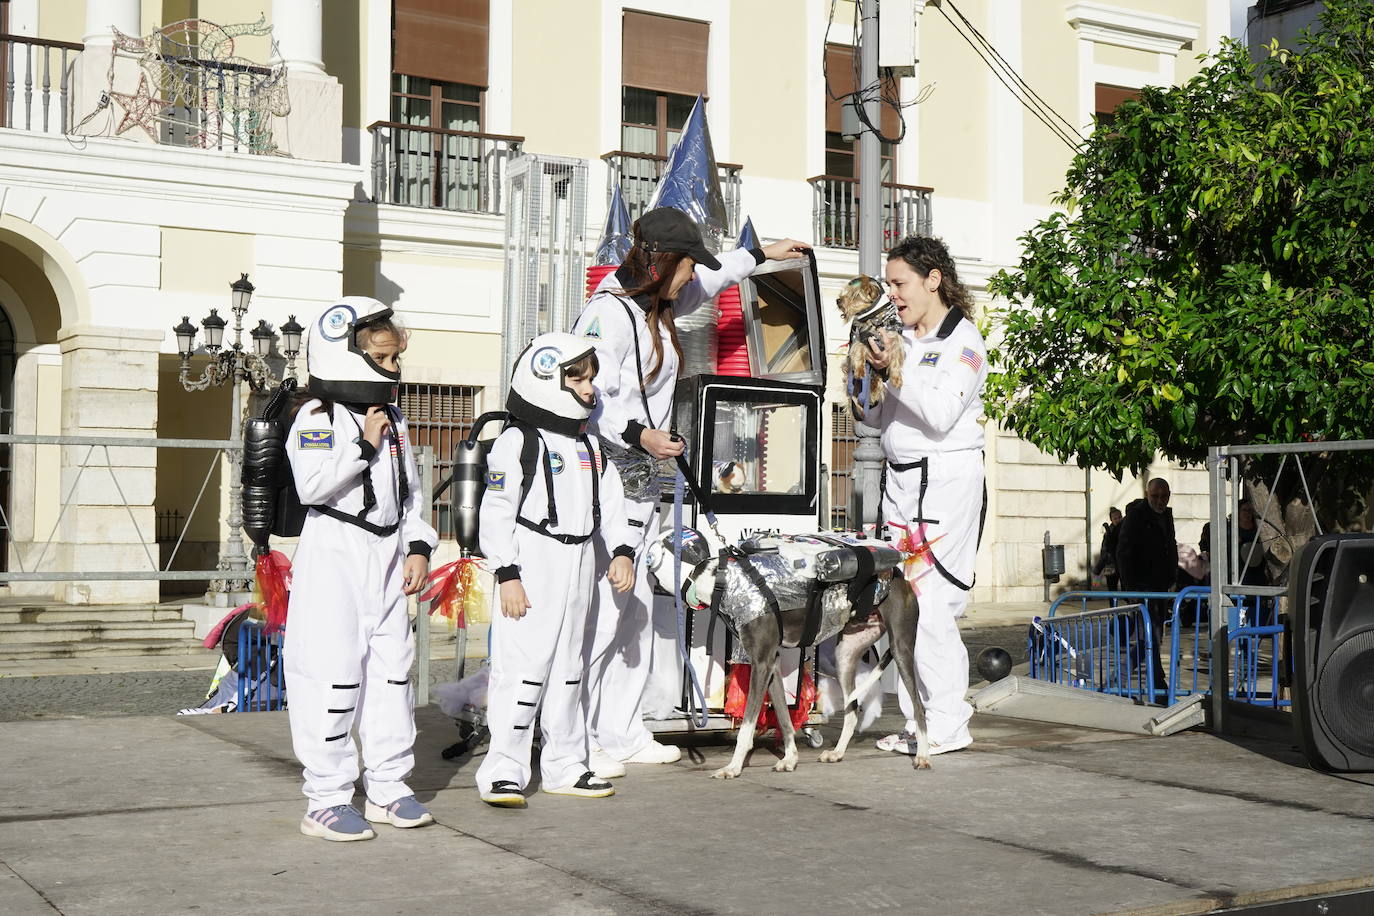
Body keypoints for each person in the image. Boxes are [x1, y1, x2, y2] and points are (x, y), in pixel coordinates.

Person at [572, 206, 809, 776]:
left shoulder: (662, 301)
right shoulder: (606, 315)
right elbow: (587, 397)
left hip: (643, 474)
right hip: (610, 470)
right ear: (659, 263)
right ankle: (577, 738)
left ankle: (622, 730)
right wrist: (639, 434)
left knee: (634, 613)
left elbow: (713, 277)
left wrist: (760, 257)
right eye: (684, 266)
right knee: (605, 612)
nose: (691, 278)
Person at [285, 297, 437, 842]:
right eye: (384, 358)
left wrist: (419, 546)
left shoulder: (392, 418)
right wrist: (362, 444)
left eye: (396, 359)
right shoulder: (317, 416)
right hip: (335, 552)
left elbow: (411, 497)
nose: (394, 369)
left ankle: (389, 786)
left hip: (388, 555)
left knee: (392, 673)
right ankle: (325, 797)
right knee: (331, 672)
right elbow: (312, 486)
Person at [476, 332, 638, 808]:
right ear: (546, 379)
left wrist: (623, 550)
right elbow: (496, 510)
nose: (589, 388)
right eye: (577, 378)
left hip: (580, 561)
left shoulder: (590, 448)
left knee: (570, 669)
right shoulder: (517, 441)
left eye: (590, 378)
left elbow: (613, 505)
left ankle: (566, 763)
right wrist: (506, 573)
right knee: (522, 670)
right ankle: (504, 768)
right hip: (533, 560)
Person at [864, 235, 987, 758]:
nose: (892, 294)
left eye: (900, 283)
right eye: (889, 284)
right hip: (901, 485)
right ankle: (920, 723)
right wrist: (865, 378)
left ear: (933, 279)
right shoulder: (905, 341)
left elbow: (938, 414)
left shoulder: (965, 343)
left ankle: (948, 722)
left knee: (932, 607)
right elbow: (874, 419)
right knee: (901, 606)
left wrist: (895, 369)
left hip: (945, 486)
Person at [1115, 477, 1176, 700]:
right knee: (1148, 636)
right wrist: (1131, 589)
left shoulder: (1167, 516)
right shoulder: (1137, 516)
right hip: (1141, 588)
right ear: (1147, 495)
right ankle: (1151, 685)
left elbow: (1170, 546)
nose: (1160, 500)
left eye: (1164, 496)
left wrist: (1172, 577)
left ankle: (1154, 685)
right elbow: (1123, 552)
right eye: (1155, 496)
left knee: (1153, 637)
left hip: (1160, 588)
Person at [1093, 507, 1123, 591]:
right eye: (1115, 518)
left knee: (1126, 591)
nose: (1118, 520)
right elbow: (1104, 552)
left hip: (1123, 565)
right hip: (1111, 565)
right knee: (1112, 591)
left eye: (1119, 517)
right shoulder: (1108, 533)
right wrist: (1098, 569)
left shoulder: (1126, 530)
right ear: (1111, 519)